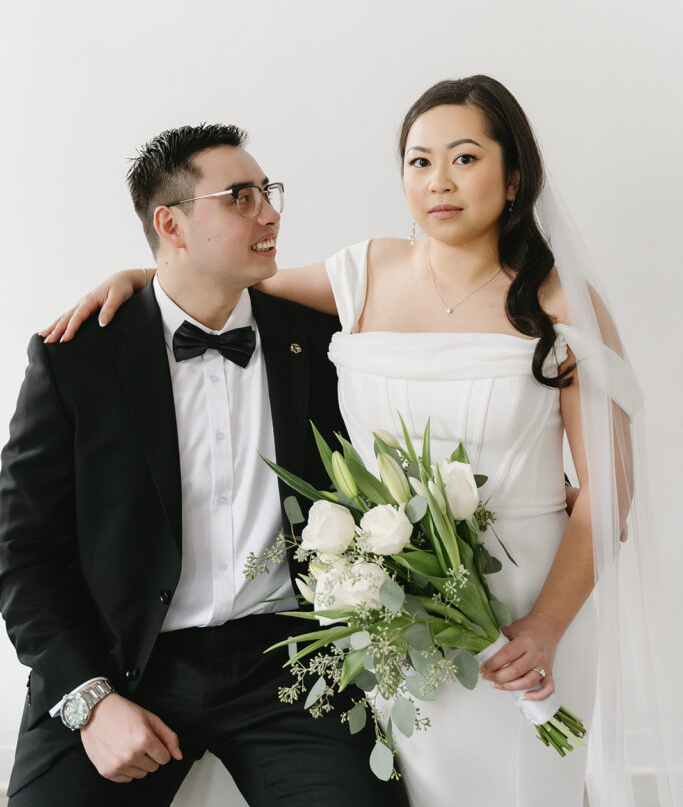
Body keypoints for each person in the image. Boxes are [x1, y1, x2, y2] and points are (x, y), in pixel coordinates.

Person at [38, 77, 672, 806]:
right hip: (385, 613)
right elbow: (222, 284)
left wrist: (544, 626)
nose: (438, 182)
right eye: (418, 161)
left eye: (464, 159)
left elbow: (608, 486)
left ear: (514, 175)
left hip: (524, 597)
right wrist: (134, 275)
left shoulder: (561, 303)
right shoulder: (364, 272)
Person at [0, 124, 410, 807]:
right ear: (172, 224)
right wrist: (92, 703)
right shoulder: (77, 357)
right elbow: (21, 551)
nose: (271, 213)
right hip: (122, 665)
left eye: (268, 193)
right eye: (241, 197)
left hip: (289, 665)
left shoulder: (316, 339)